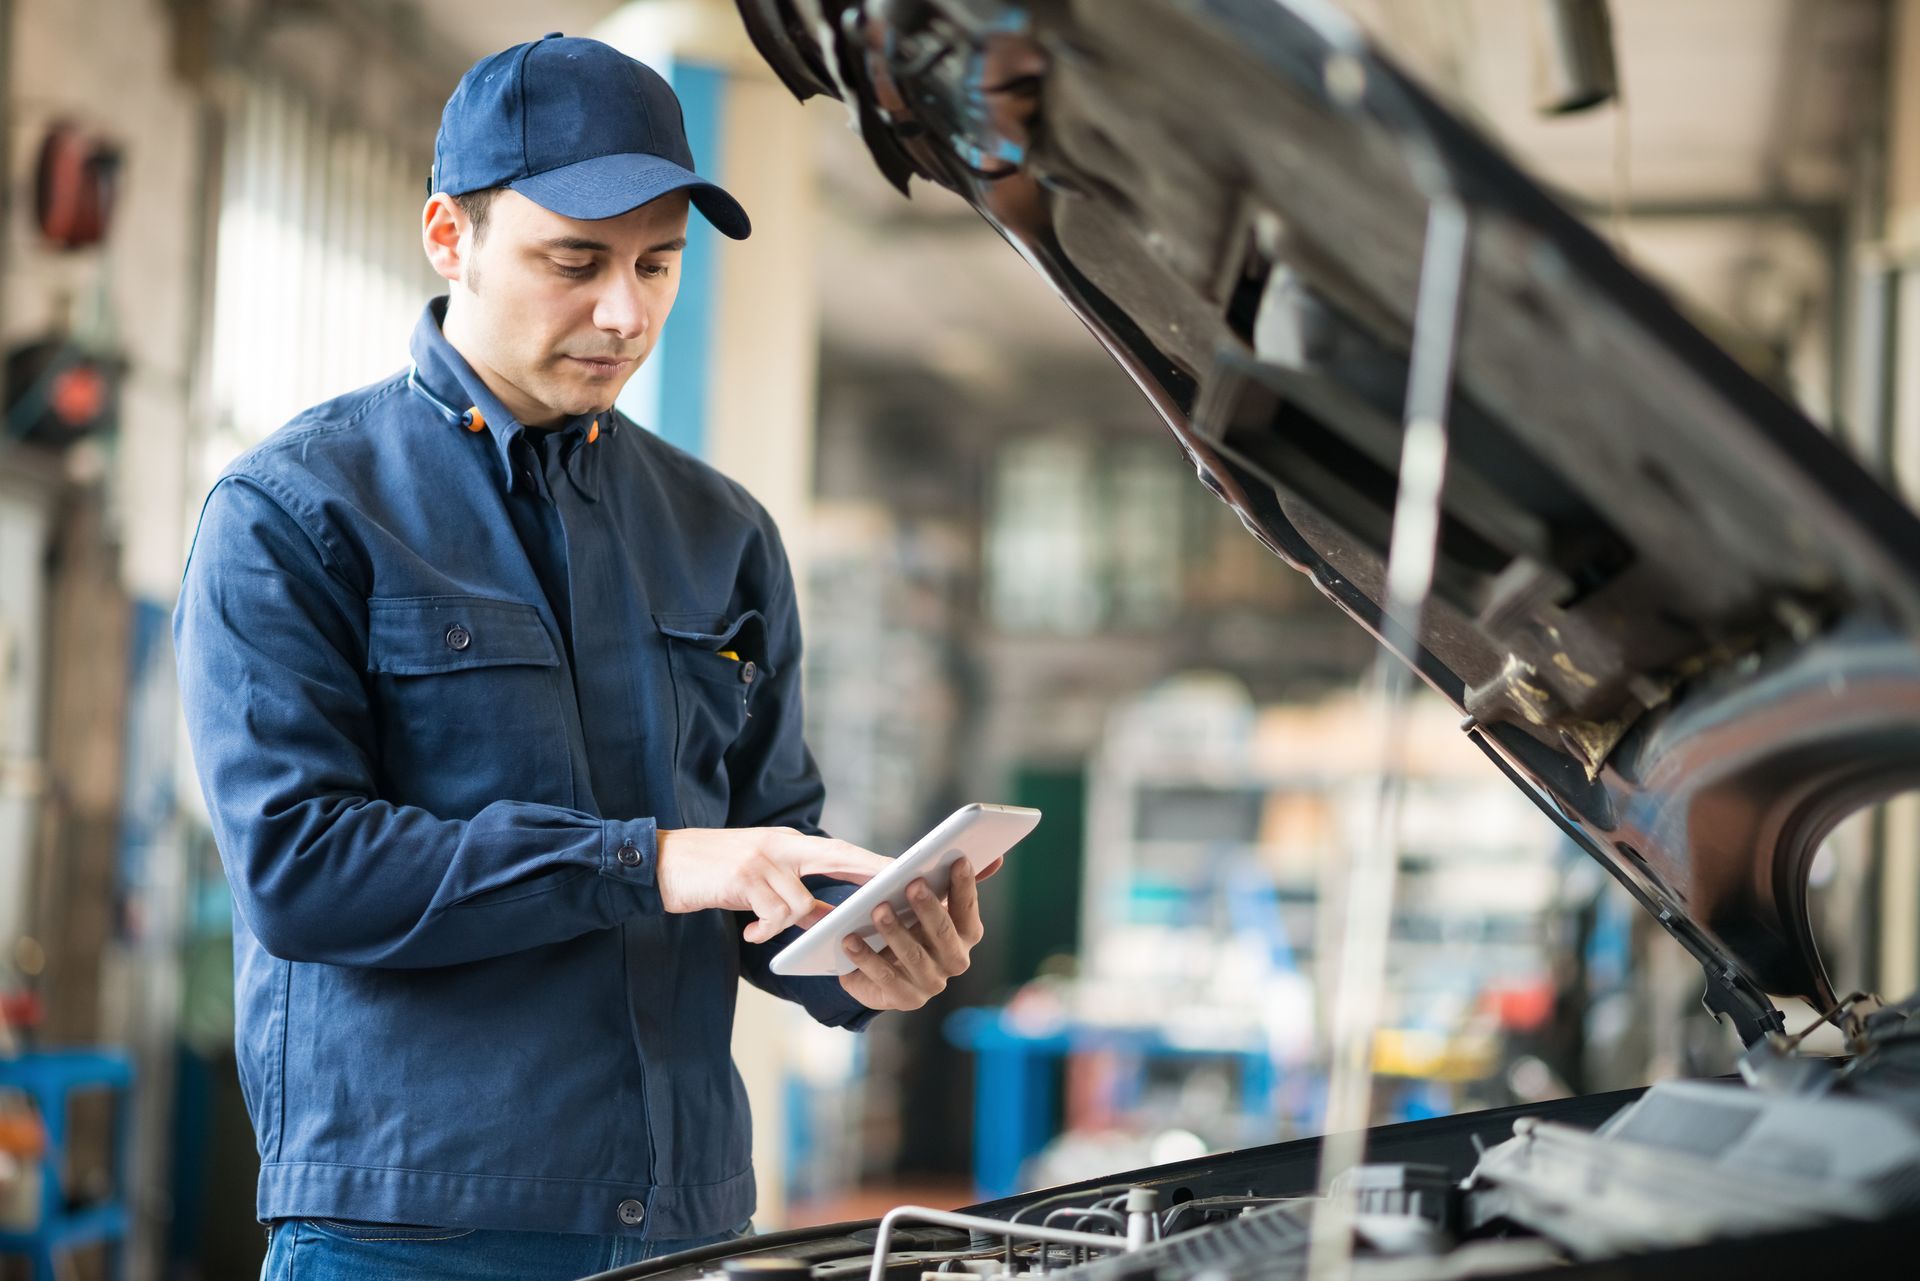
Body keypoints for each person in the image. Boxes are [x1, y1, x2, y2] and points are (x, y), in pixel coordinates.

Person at [172, 33, 990, 1280]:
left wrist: (856, 956)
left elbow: (762, 855)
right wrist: (648, 861)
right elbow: (301, 870)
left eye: (659, 265)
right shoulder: (297, 512)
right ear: (450, 238)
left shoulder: (723, 535)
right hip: (414, 1231)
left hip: (686, 1225)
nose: (626, 313)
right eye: (576, 262)